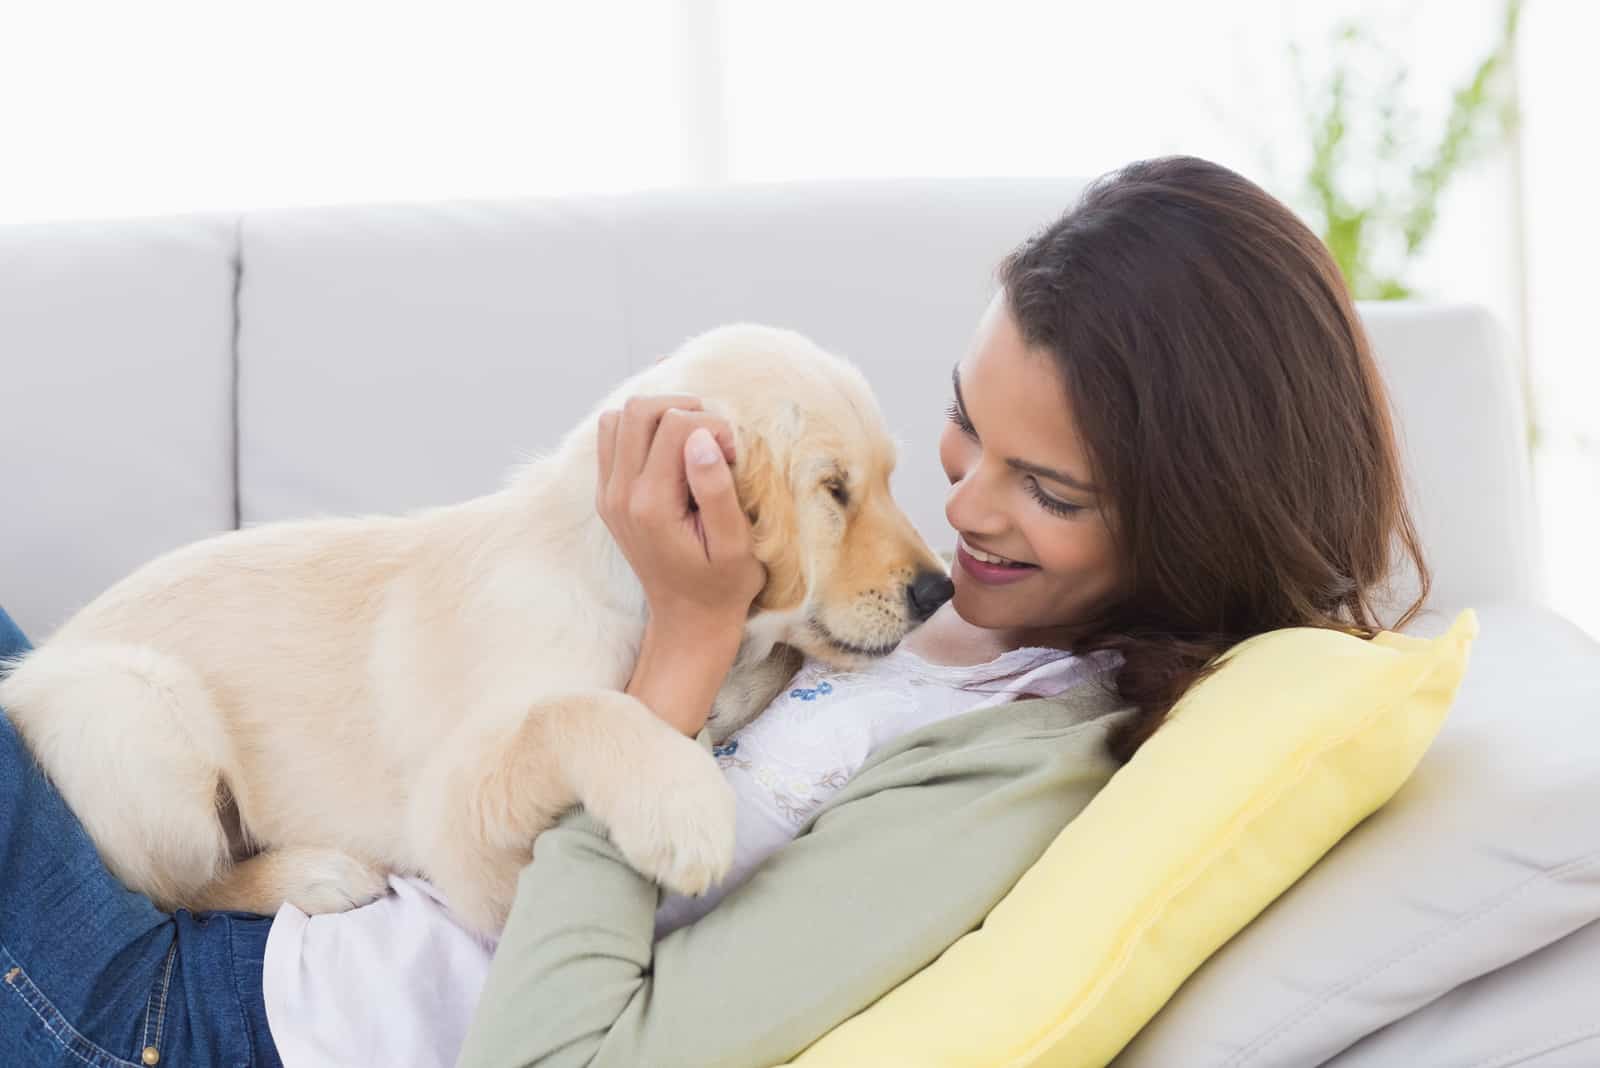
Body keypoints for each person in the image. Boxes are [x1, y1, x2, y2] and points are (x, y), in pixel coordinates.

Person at [0, 155, 1427, 1068]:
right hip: (217, 842)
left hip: (192, 1008)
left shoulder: (1015, 775)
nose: (961, 518)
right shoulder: (971, 640)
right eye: (960, 430)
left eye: (1044, 484)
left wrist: (687, 640)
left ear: (1189, 513)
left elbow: (553, 1051)